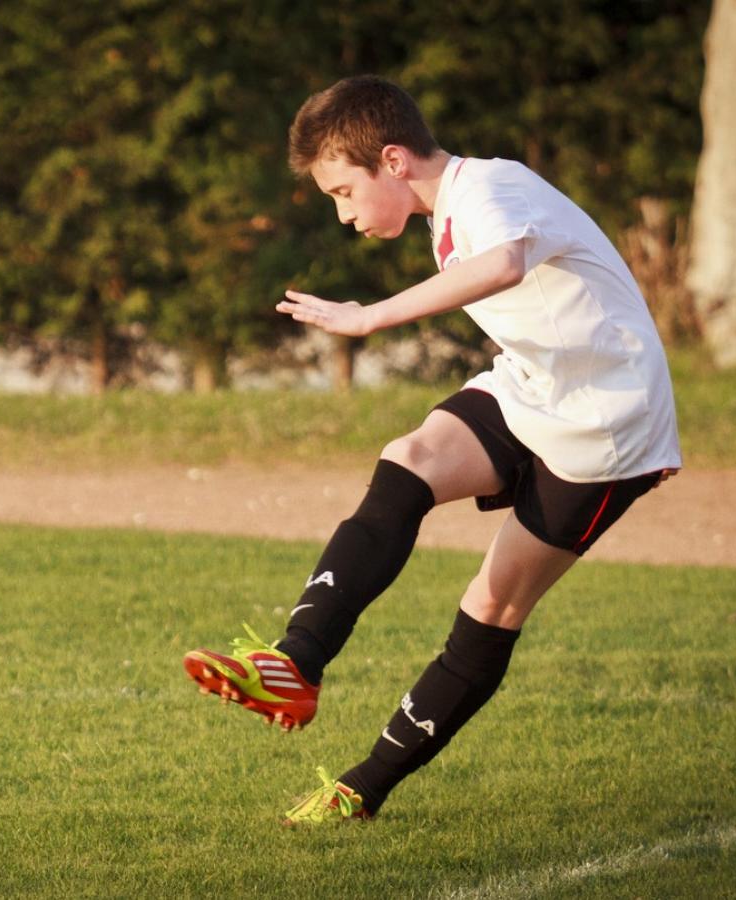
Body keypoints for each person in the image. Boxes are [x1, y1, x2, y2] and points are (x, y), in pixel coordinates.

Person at [181, 75, 682, 826]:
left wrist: (371, 317)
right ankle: (294, 664)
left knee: (492, 603)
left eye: (344, 192)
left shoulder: (488, 187)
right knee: (408, 457)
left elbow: (507, 264)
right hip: (532, 388)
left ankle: (364, 786)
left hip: (608, 424)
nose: (345, 216)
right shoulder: (446, 211)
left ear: (391, 159)